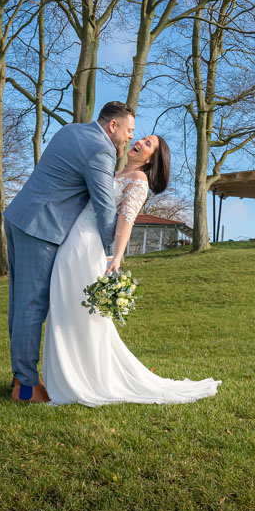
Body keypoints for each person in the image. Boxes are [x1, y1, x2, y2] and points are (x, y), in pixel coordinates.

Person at [40, 131, 220, 407]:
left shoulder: (138, 180)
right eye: (142, 139)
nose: (139, 142)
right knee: (63, 306)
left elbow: (126, 221)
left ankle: (87, 379)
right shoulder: (114, 172)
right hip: (70, 241)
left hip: (89, 246)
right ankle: (64, 377)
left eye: (148, 144)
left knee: (82, 313)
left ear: (152, 159)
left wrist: (116, 257)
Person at [3, 101, 133, 403]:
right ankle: (25, 386)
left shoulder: (70, 130)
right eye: (128, 131)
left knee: (19, 304)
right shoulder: (101, 151)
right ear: (113, 126)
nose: (129, 138)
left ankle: (19, 376)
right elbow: (104, 207)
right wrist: (110, 252)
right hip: (41, 228)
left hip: (20, 217)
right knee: (32, 306)